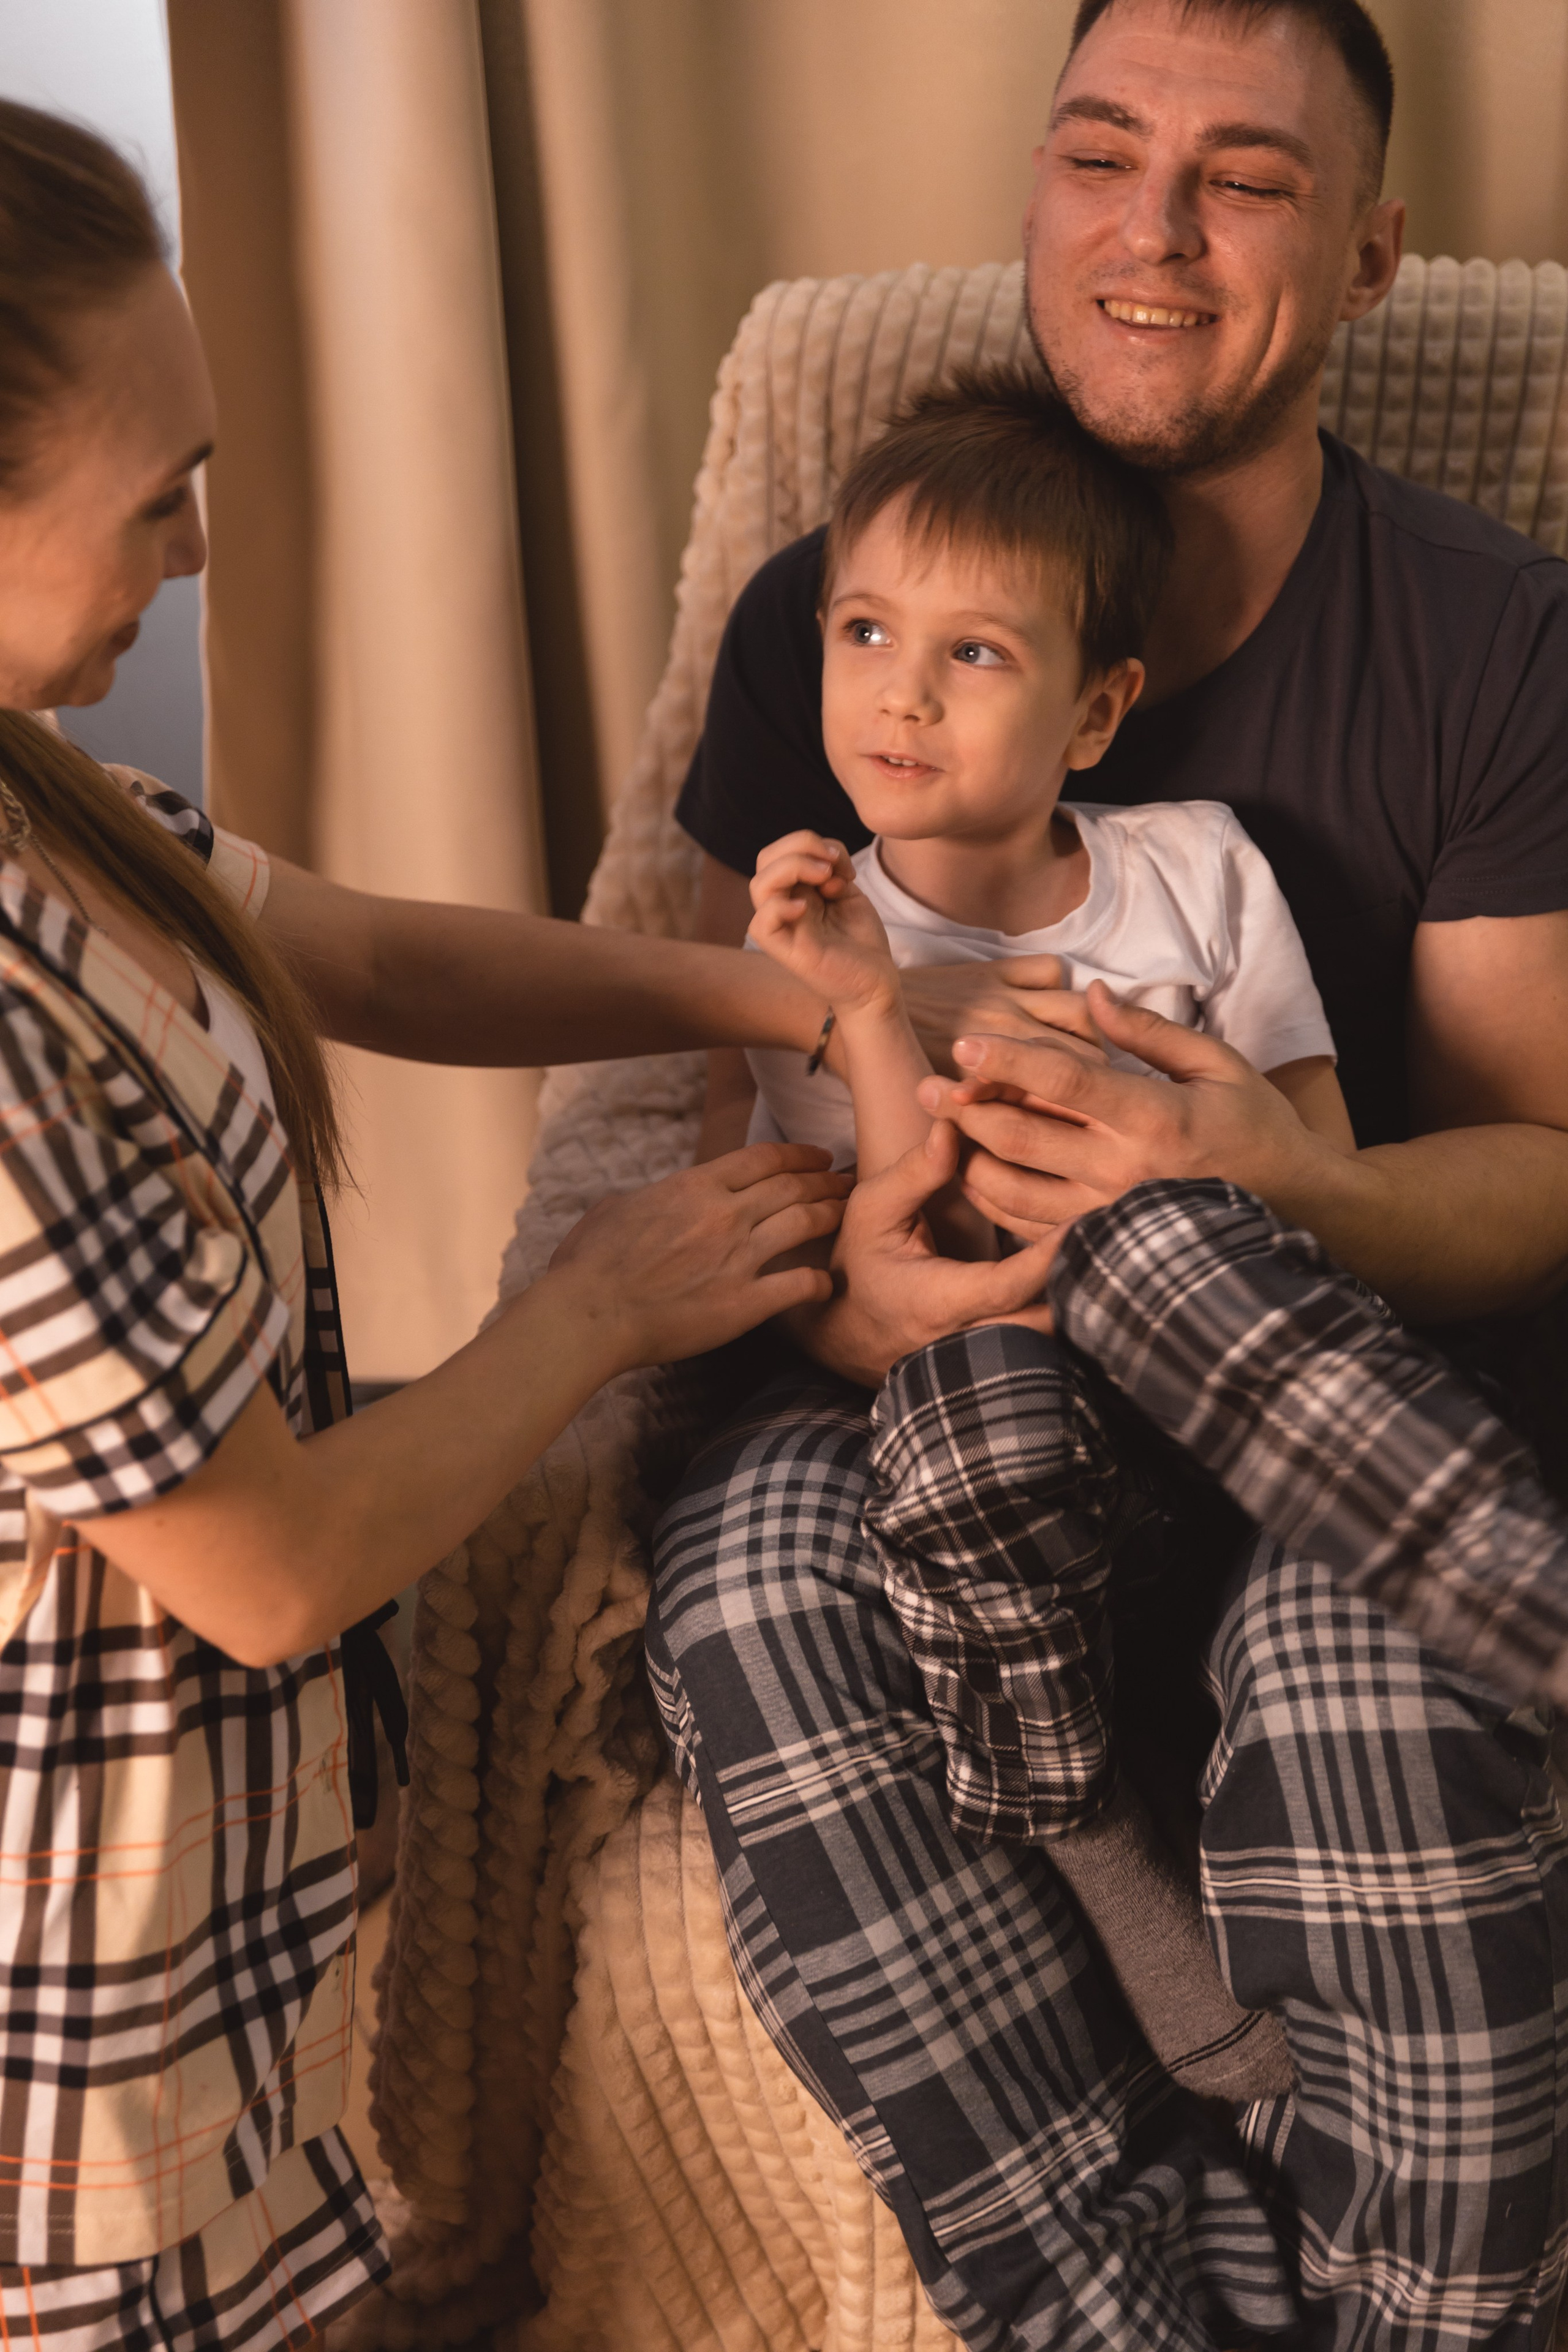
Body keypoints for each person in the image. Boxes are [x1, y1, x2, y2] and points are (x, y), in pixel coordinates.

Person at [0, 100, 1063, 2351]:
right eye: (157, 492)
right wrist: (596, 1304)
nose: (198, 546)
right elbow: (267, 1563)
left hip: (223, 1910)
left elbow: (364, 954)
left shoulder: (48, 802)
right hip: (65, 1999)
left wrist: (805, 994)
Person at [650, 0, 1568, 2344]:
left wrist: (1261, 1167)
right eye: (1097, 156)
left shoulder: (1488, 643)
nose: (1151, 231)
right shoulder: (826, 624)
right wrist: (855, 1300)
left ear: (1368, 260)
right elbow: (724, 1102)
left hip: (1315, 1407)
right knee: (747, 1578)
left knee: (1350, 1656)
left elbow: (1535, 1167)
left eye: (1244, 180)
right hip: (931, 1403)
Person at [740, 366, 1349, 2095]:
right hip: (993, 1448)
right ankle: (1092, 1832)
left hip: (1211, 1405)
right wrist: (869, 1009)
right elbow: (893, 1248)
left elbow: (1321, 1170)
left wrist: (1155, 1149)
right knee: (969, 1386)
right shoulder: (814, 937)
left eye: (978, 654)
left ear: (1096, 712)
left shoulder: (1199, 870)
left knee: (1212, 1283)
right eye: (866, 633)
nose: (902, 694)